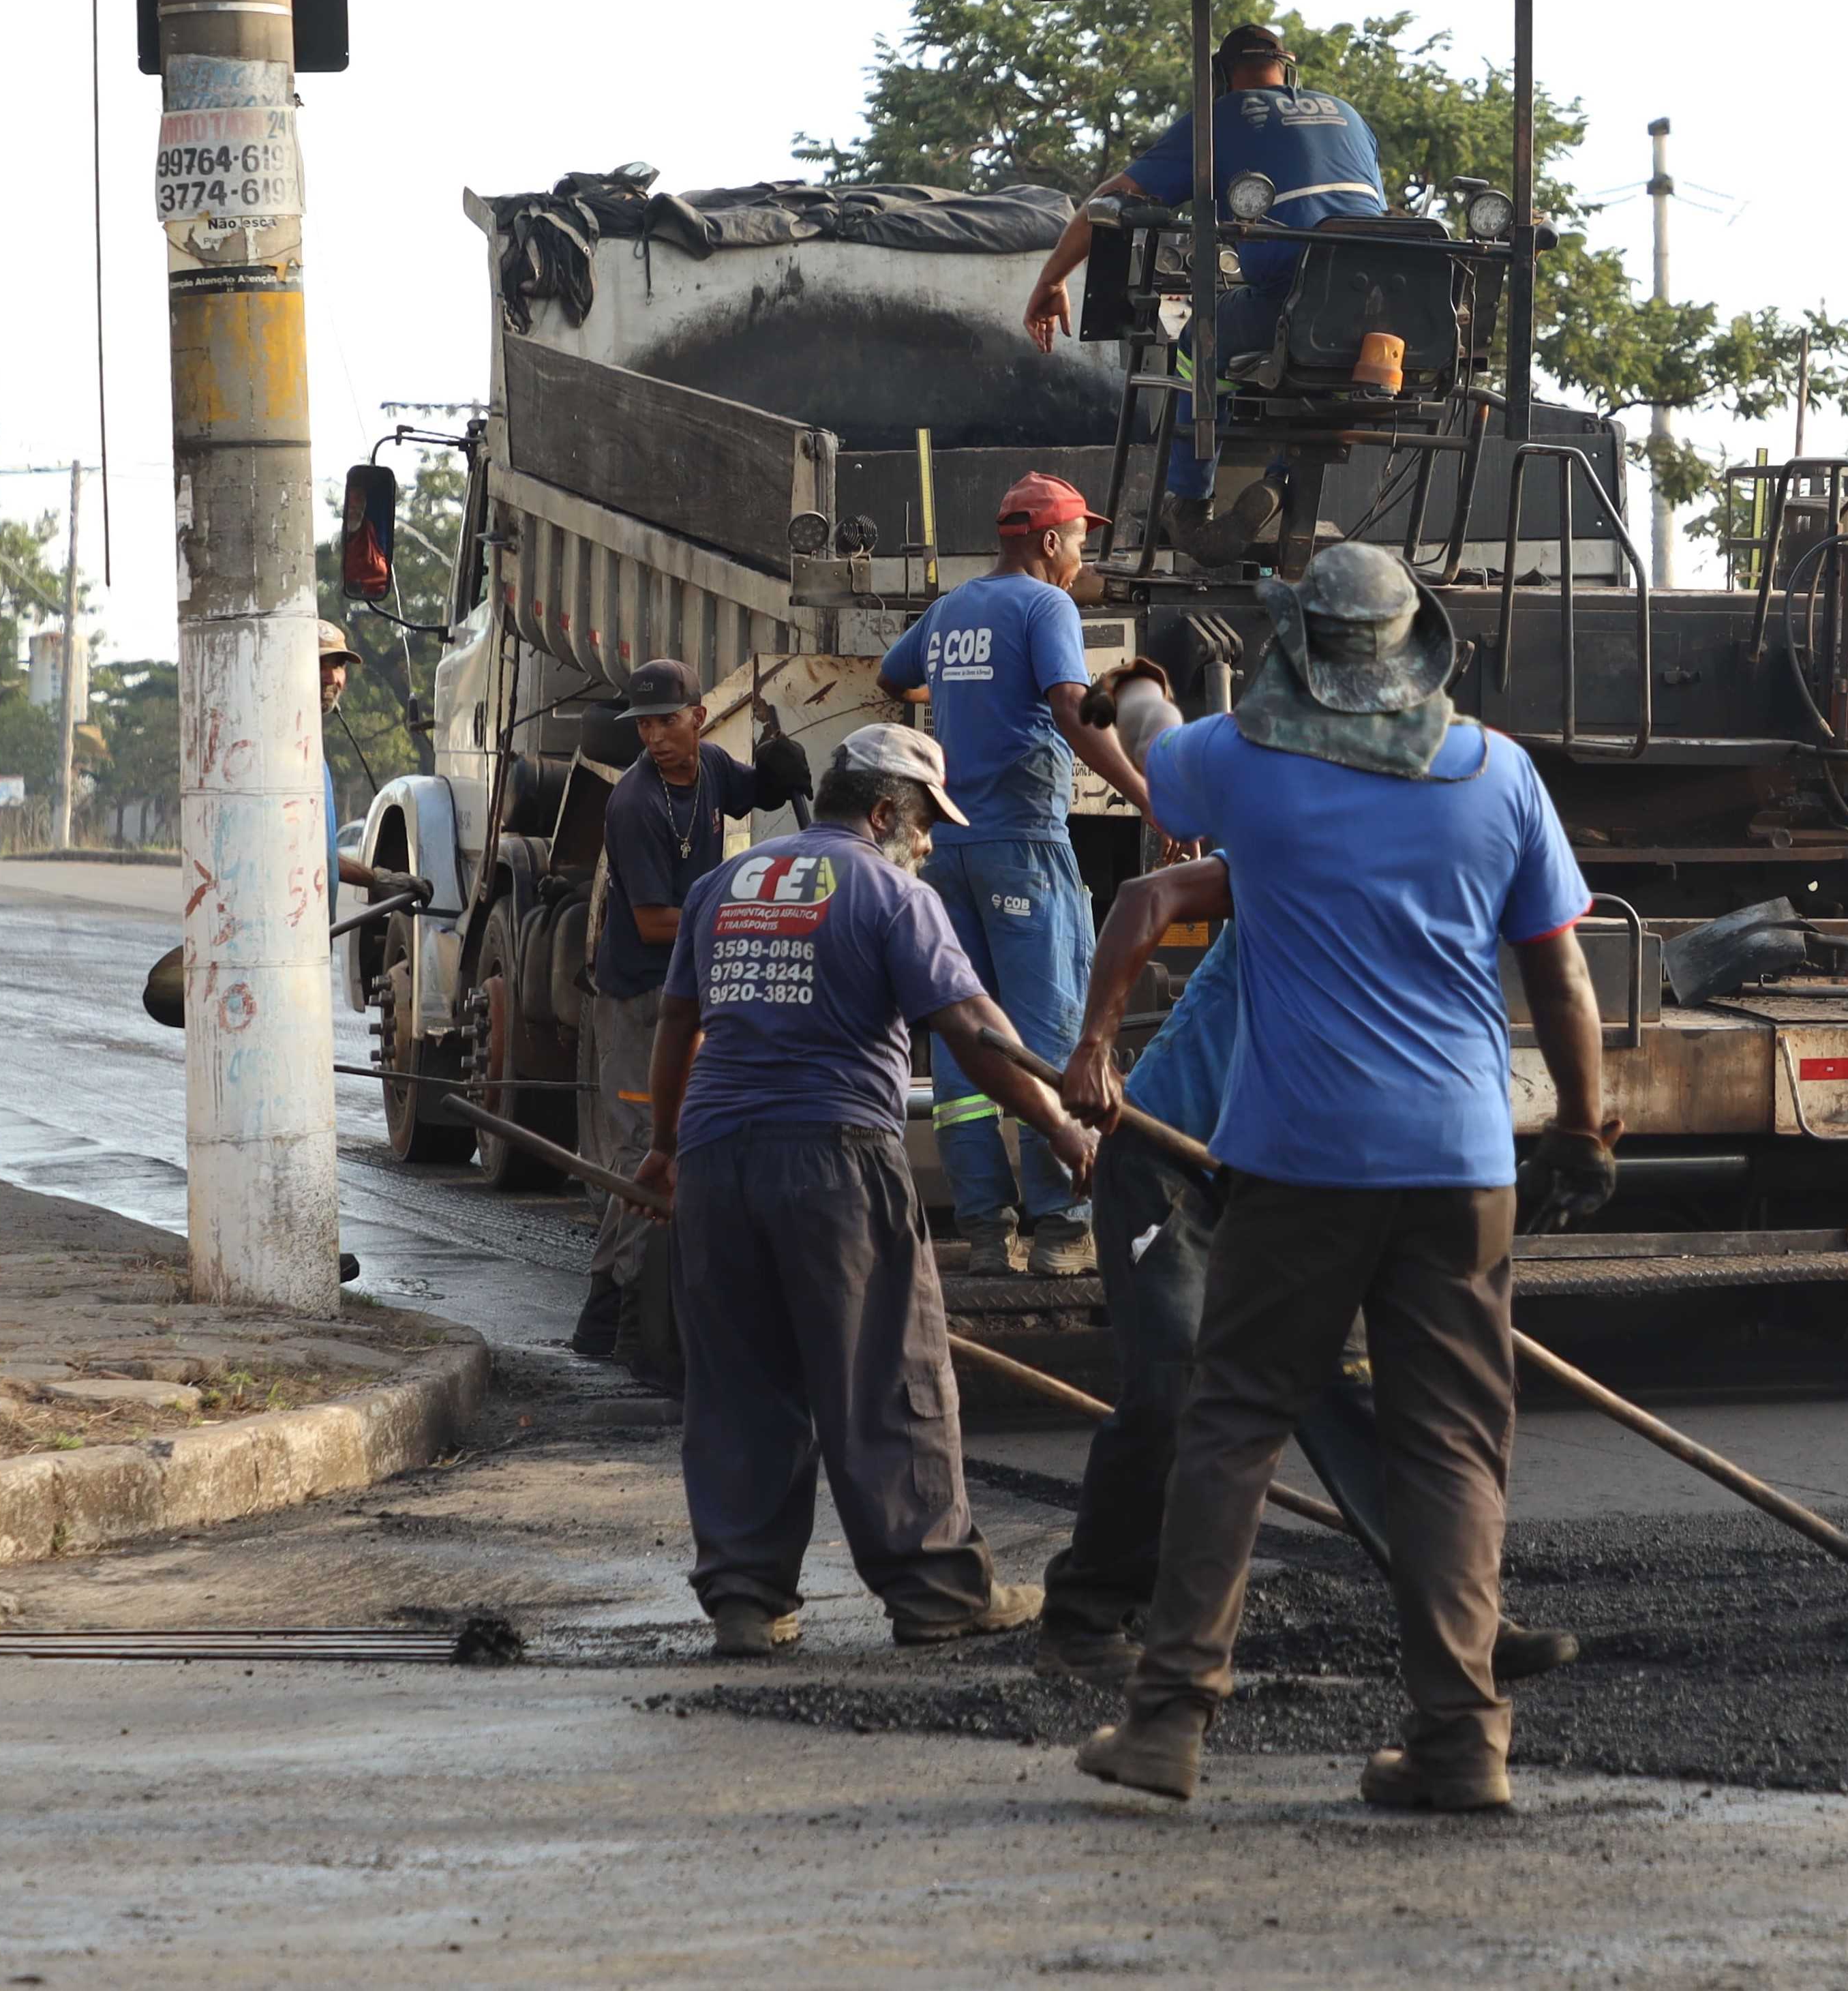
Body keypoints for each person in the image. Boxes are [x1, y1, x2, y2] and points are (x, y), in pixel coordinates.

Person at [1072, 541, 1618, 1816]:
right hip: (1463, 1164)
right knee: (1449, 1451)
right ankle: (1460, 1739)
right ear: (1421, 645)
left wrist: (1138, 685)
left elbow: (1155, 752)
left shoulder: (1247, 768)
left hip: (1299, 1164)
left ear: (1299, 650)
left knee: (1235, 1423)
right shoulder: (1501, 774)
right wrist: (1586, 1130)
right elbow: (1562, 976)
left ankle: (1166, 1721)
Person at [1040, 852, 1577, 1690]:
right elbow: (1148, 893)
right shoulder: (1303, 850)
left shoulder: (1427, 924)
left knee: (1357, 1390)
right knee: (1176, 1388)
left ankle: (1460, 1623)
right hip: (1170, 1160)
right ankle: (1085, 1615)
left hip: (1288, 1184)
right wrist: (1095, 1046)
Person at [636, 723, 1092, 1658]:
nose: (930, 846)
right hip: (837, 1159)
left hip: (720, 1163)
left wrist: (663, 1147)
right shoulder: (891, 893)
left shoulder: (727, 884)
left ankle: (747, 1601)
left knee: (739, 1384)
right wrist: (1058, 1127)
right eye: (925, 827)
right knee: (887, 1373)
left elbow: (679, 1020)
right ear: (885, 813)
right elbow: (975, 1032)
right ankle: (933, 1594)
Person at [875, 474, 1154, 1280]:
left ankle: (988, 1231)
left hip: (950, 853)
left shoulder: (952, 609)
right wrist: (1146, 796)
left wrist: (965, 694)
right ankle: (1063, 1227)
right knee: (1048, 1036)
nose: (1082, 559)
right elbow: (1071, 709)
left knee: (969, 1046)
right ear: (1048, 541)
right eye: (1079, 542)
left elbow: (897, 680)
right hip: (1026, 846)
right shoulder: (1046, 608)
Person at [1018, 24, 1388, 532]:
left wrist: (1053, 279)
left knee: (1198, 339)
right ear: (1287, 66)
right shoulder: (1349, 115)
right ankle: (1280, 484)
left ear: (1222, 75)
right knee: (1322, 358)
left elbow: (1115, 199)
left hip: (1287, 301)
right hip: (1381, 312)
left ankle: (1192, 501)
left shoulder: (1219, 120)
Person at [569, 659, 809, 1362]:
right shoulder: (635, 804)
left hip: (687, 988)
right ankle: (607, 1309)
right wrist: (743, 916)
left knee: (684, 1143)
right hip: (640, 996)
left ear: (698, 717)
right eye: (643, 725)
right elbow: (649, 924)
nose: (654, 737)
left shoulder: (707, 768)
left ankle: (639, 1306)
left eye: (666, 721)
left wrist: (776, 772)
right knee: (643, 1149)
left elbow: (749, 792)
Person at [316, 623, 420, 930]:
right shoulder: (283, 750)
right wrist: (375, 879)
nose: (331, 677)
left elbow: (324, 856)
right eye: (318, 663)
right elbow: (306, 858)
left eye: (337, 665)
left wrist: (381, 880)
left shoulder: (313, 755)